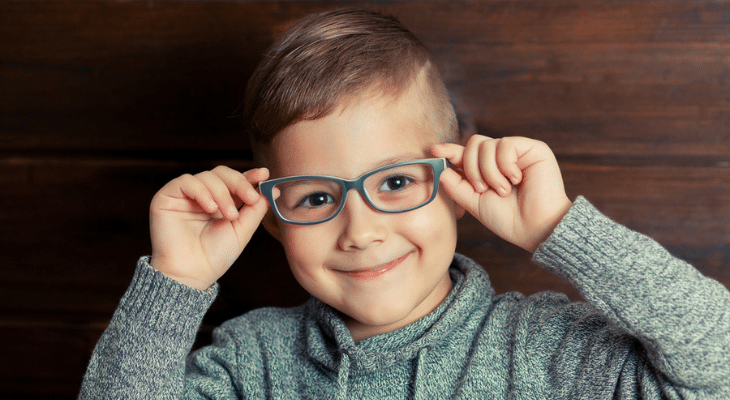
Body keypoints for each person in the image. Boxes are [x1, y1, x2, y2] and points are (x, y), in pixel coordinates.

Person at [78, 8, 730, 399]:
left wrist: (562, 229)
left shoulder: (551, 349)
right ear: (272, 218)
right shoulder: (251, 363)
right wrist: (175, 282)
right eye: (315, 196)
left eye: (393, 184)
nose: (359, 231)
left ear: (454, 185)